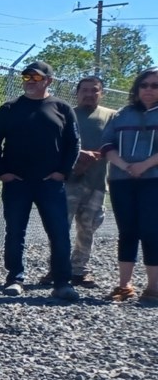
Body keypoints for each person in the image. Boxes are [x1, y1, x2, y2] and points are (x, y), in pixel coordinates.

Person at [0, 60, 81, 301]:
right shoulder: (9, 108)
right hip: (17, 183)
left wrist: (63, 172)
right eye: (27, 77)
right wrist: (2, 173)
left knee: (59, 232)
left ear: (49, 81)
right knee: (15, 232)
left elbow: (73, 144)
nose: (30, 81)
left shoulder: (62, 108)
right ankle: (15, 279)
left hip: (50, 183)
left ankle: (62, 282)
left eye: (36, 78)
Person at [47, 76, 114, 287]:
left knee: (88, 227)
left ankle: (79, 270)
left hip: (96, 183)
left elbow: (117, 144)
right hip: (68, 183)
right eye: (84, 90)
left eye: (94, 90)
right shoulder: (67, 114)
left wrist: (95, 156)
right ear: (77, 93)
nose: (89, 94)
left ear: (101, 93)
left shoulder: (111, 116)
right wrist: (77, 157)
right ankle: (57, 269)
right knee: (60, 227)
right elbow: (55, 144)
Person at [99, 67, 158, 304]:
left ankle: (153, 287)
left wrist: (144, 165)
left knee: (151, 231)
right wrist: (125, 166)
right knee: (127, 231)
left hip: (153, 180)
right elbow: (106, 145)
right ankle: (124, 286)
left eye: (155, 86)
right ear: (136, 88)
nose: (149, 90)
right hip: (121, 179)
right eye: (144, 85)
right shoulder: (121, 115)